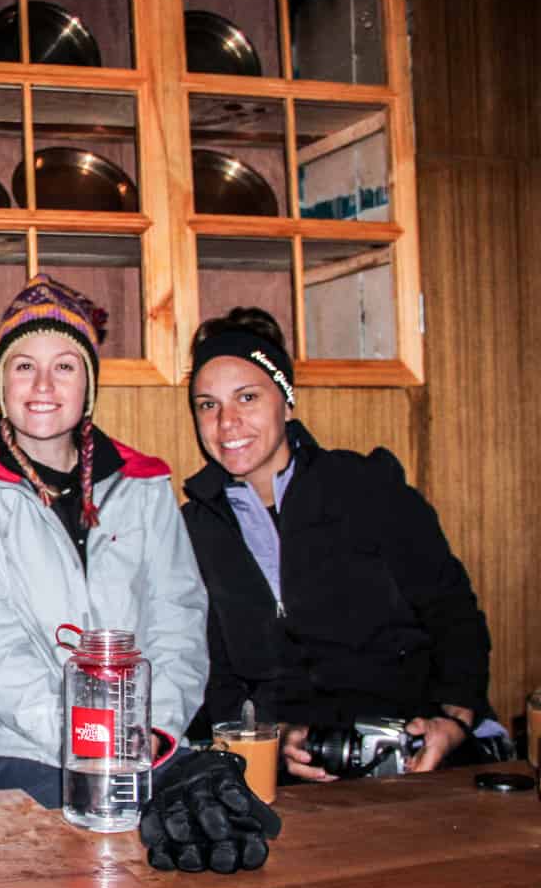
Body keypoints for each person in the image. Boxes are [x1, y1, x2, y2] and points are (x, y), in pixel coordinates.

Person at [0, 274, 209, 806]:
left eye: (65, 367)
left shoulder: (144, 487)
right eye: (24, 366)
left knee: (231, 823)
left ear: (88, 387)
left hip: (149, 748)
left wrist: (157, 730)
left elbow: (179, 624)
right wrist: (90, 737)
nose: (44, 386)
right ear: (2, 383)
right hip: (19, 751)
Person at [181, 307, 494, 781]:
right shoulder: (192, 529)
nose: (227, 422)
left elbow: (452, 612)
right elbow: (210, 676)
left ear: (286, 402)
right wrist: (278, 739)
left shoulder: (367, 488)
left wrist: (454, 722)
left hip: (413, 752)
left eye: (247, 397)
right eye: (208, 404)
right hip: (284, 768)